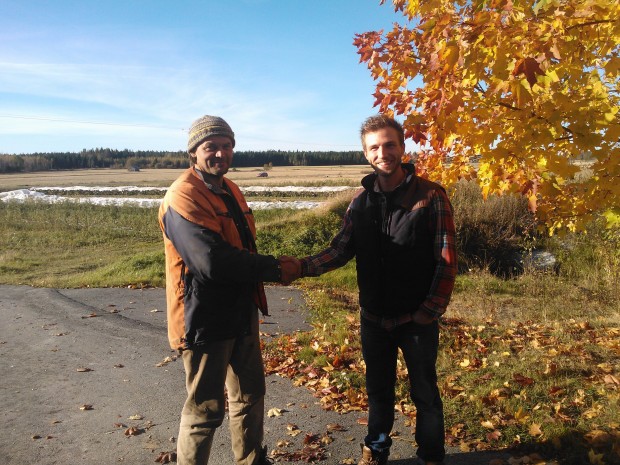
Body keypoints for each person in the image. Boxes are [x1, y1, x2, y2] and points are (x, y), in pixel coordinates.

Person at [295, 115, 457, 465]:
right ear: (366, 154)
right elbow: (339, 250)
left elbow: (446, 261)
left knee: (425, 393)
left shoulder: (432, 196)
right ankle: (376, 451)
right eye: (374, 147)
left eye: (389, 145)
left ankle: (431, 455)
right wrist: (296, 268)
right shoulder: (360, 201)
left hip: (417, 320)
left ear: (402, 148)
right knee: (378, 392)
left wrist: (429, 311)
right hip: (373, 320)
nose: (383, 152)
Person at [158, 115, 299, 465]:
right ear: (193, 152)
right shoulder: (183, 195)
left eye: (226, 146)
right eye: (211, 147)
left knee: (250, 395)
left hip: (240, 310)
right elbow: (212, 262)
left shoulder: (229, 189)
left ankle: (251, 460)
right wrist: (275, 267)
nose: (220, 153)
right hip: (204, 318)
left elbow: (241, 247)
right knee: (205, 409)